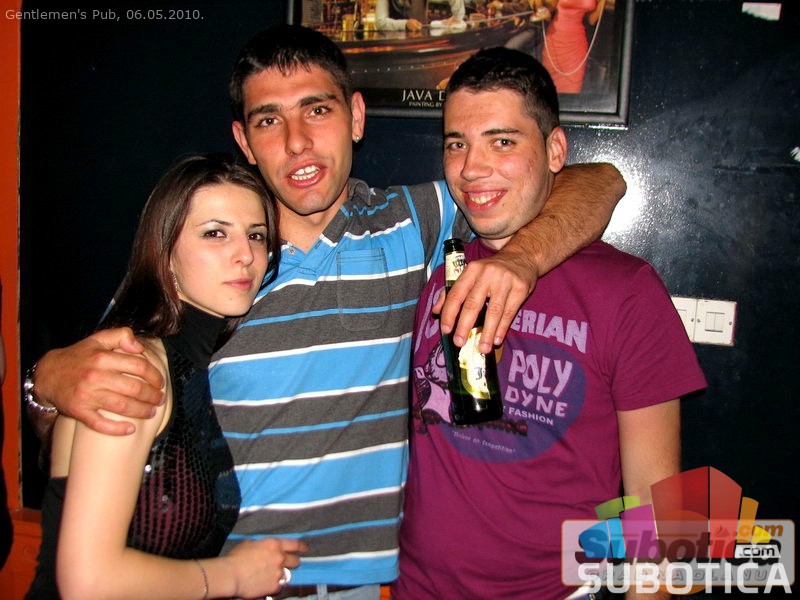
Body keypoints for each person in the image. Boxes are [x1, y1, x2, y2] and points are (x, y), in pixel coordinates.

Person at [30, 25, 625, 599]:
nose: (297, 142)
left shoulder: (415, 223)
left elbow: (599, 181)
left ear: (356, 117)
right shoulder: (215, 258)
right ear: (244, 141)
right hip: (212, 579)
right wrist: (46, 385)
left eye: (317, 110)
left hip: (360, 587)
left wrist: (521, 259)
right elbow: (92, 404)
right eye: (269, 120)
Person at [393, 47, 707, 599]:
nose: (472, 168)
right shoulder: (432, 265)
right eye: (457, 144)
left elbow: (658, 509)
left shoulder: (625, 291)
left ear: (555, 149)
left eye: (503, 142)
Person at [25, 154, 307, 600]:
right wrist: (234, 575)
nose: (245, 255)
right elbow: (88, 582)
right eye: (215, 233)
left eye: (256, 235)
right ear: (165, 250)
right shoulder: (135, 369)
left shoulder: (190, 364)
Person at [541, 0, 605, 93]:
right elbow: (548, 7)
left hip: (576, 44)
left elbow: (592, 20)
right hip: (556, 37)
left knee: (572, 88)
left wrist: (603, 2)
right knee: (548, 90)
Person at [376, 0, 466, 31]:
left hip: (421, 46)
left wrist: (457, 17)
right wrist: (405, 24)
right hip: (396, 49)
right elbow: (380, 22)